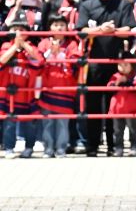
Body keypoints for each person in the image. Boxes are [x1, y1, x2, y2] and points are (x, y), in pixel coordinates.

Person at [76, 0, 135, 157]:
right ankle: (92, 146)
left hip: (117, 65)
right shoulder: (86, 5)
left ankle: (113, 146)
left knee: (114, 107)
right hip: (93, 64)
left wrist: (114, 31)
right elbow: (82, 31)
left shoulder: (123, 5)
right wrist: (101, 29)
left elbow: (129, 29)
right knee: (93, 107)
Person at [37, 14, 80, 158]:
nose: (59, 27)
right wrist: (50, 52)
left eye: (62, 24)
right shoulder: (43, 43)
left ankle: (61, 149)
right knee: (47, 122)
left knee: (62, 122)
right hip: (47, 87)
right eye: (55, 24)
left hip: (65, 89)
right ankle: (48, 149)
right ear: (50, 27)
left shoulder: (71, 44)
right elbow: (38, 61)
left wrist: (60, 55)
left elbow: (75, 62)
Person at [0, 24, 43, 158]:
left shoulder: (31, 47)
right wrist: (15, 47)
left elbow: (39, 60)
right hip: (9, 93)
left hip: (27, 93)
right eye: (15, 29)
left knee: (30, 122)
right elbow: (2, 60)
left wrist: (23, 44)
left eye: (22, 30)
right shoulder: (6, 46)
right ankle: (9, 148)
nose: (18, 32)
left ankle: (29, 147)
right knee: (9, 122)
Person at [107, 49, 136, 156]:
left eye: (125, 64)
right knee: (118, 131)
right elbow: (109, 88)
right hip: (117, 110)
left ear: (132, 65)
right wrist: (117, 83)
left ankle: (134, 147)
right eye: (120, 65)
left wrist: (127, 82)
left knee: (133, 130)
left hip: (132, 110)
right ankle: (118, 148)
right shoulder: (115, 76)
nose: (122, 67)